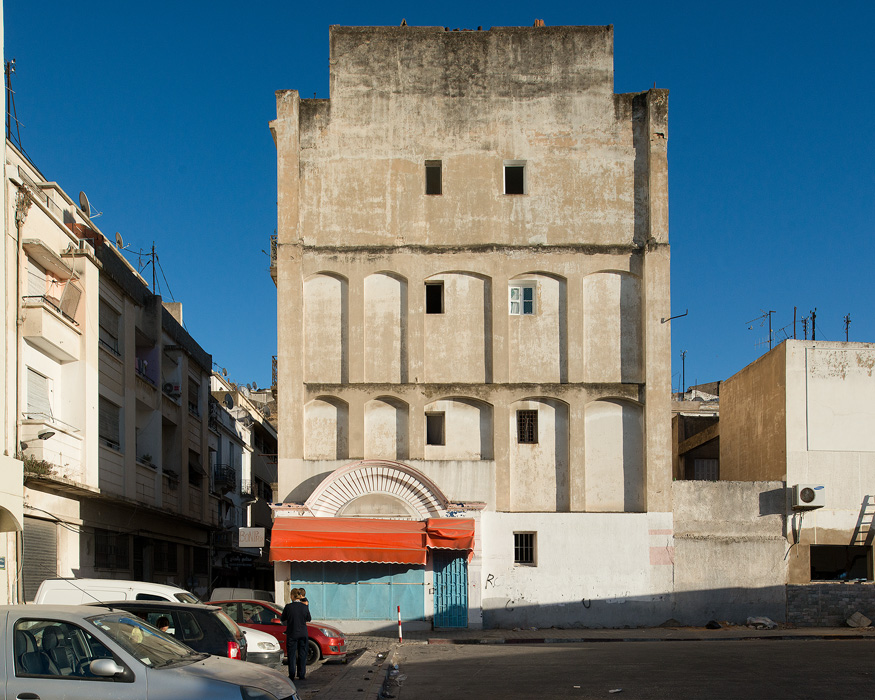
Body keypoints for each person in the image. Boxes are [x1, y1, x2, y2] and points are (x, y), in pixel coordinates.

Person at [280, 587, 311, 682]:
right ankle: (301, 674)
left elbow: (282, 618)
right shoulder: (304, 606)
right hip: (303, 633)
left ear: (292, 596)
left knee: (292, 654)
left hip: (292, 633)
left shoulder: (288, 607)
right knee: (302, 654)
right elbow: (309, 618)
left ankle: (292, 674)